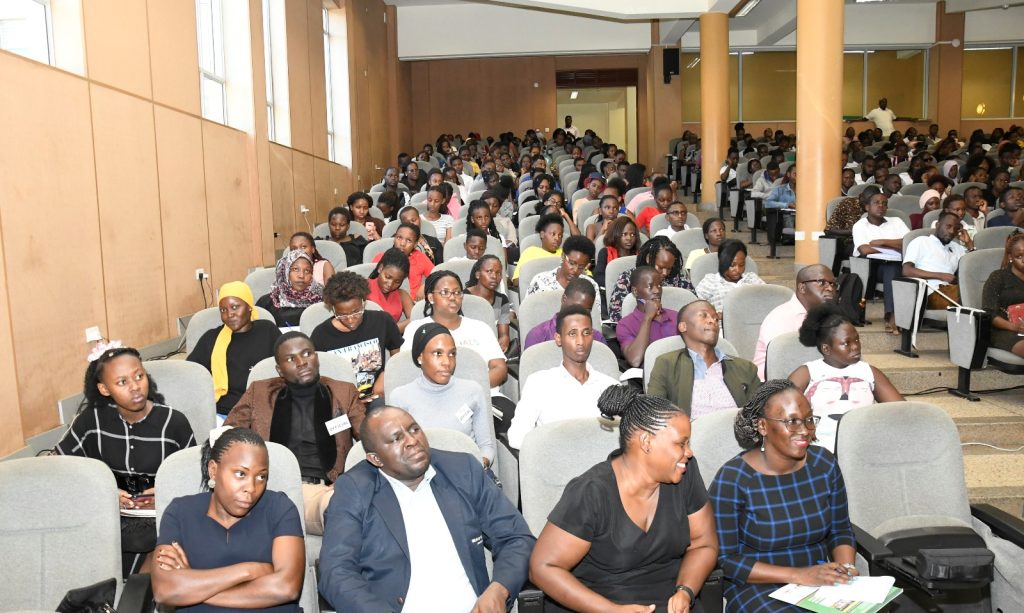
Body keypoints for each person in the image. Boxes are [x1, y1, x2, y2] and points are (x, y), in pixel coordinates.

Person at [319, 406, 535, 612]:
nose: (412, 441)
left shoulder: (463, 470)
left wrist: (499, 590)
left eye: (414, 429)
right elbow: (336, 572)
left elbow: (516, 537)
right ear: (375, 459)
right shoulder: (354, 490)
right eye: (396, 439)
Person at [529, 385, 718, 612]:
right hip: (600, 603)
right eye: (681, 443)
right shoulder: (592, 492)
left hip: (669, 599)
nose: (689, 453)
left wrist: (685, 591)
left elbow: (704, 543)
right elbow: (543, 567)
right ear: (646, 442)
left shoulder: (685, 473)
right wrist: (611, 610)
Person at [708, 380, 858, 612]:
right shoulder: (733, 479)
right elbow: (725, 560)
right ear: (763, 426)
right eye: (792, 421)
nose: (805, 429)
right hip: (757, 584)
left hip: (819, 577)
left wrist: (846, 566)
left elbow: (840, 530)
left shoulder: (824, 464)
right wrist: (799, 575)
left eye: (809, 419)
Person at [56, 343, 196, 576]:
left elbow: (197, 478)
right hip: (107, 517)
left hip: (161, 519)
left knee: (157, 561)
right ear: (104, 389)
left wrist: (165, 491)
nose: (135, 387)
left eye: (139, 376)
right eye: (122, 382)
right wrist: (106, 492)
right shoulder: (91, 422)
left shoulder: (173, 422)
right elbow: (63, 471)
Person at [225, 331, 365, 536]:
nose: (301, 362)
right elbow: (227, 436)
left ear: (316, 357)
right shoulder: (259, 392)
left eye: (307, 354)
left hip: (322, 491)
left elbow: (371, 440)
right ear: (279, 370)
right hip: (269, 487)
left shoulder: (343, 392)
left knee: (343, 509)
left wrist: (349, 480)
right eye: (291, 359)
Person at [151, 428, 304, 611]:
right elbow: (164, 590)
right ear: (213, 470)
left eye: (261, 476)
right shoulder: (180, 512)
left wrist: (191, 584)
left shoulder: (280, 508)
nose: (252, 488)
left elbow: (286, 588)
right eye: (241, 474)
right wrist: (250, 570)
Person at [788, 305, 904, 452]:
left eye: (857, 340)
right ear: (826, 349)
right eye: (846, 343)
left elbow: (900, 410)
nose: (855, 347)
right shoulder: (808, 372)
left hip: (864, 448)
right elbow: (782, 410)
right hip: (818, 449)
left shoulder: (869, 371)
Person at [508, 305, 618, 450]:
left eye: (586, 333)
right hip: (557, 466)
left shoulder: (611, 387)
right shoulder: (539, 383)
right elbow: (517, 437)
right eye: (572, 334)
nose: (581, 341)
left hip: (603, 466)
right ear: (558, 339)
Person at [389, 323, 496, 466]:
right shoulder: (400, 397)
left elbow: (486, 446)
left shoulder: (473, 391)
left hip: (467, 473)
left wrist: (480, 465)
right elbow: (398, 454)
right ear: (420, 357)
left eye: (452, 354)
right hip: (422, 477)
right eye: (437, 354)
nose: (447, 362)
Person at [647, 300, 760, 419]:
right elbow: (654, 413)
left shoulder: (745, 368)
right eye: (703, 315)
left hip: (736, 434)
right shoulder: (666, 364)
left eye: (716, 318)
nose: (713, 321)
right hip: (692, 435)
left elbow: (759, 414)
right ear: (683, 326)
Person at [402, 271, 508, 391]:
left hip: (482, 394)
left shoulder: (480, 328)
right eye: (445, 292)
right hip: (432, 397)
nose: (453, 297)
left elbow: (500, 368)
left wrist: (471, 390)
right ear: (431, 297)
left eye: (457, 293)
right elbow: (408, 371)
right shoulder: (416, 329)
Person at [188, 281, 282, 416]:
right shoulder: (211, 339)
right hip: (225, 412)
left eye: (235, 307)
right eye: (223, 310)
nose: (229, 314)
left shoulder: (267, 330)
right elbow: (191, 375)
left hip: (265, 408)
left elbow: (286, 365)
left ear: (249, 307)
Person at [312, 271, 402, 406]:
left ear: (363, 302)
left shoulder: (382, 321)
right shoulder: (320, 335)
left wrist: (384, 376)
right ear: (333, 309)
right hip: (342, 402)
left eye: (356, 312)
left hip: (376, 398)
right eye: (342, 315)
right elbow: (319, 380)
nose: (350, 320)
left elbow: (396, 357)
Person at [751, 265, 836, 380]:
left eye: (832, 284)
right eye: (821, 282)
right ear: (802, 288)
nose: (830, 288)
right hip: (775, 386)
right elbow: (783, 366)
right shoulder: (780, 319)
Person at [852, 190, 910, 333]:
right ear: (867, 207)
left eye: (884, 203)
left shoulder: (896, 222)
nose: (881, 206)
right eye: (876, 203)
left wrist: (881, 242)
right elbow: (865, 250)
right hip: (872, 267)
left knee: (892, 268)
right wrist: (894, 247)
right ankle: (891, 316)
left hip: (896, 264)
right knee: (891, 269)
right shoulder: (860, 225)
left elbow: (908, 242)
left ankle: (891, 315)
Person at [609, 236, 692, 323]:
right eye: (660, 267)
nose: (665, 273)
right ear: (649, 259)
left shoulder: (680, 279)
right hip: (638, 331)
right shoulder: (627, 279)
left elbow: (694, 307)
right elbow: (615, 315)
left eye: (669, 268)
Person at [903, 210, 972, 308]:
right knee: (972, 293)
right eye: (948, 226)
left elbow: (972, 271)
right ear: (937, 225)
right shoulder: (921, 241)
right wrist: (940, 276)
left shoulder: (957, 248)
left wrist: (969, 244)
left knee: (976, 290)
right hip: (932, 292)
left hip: (952, 290)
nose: (952, 231)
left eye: (956, 228)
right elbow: (907, 271)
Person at [618, 267, 679, 369]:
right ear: (635, 291)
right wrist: (647, 318)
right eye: (650, 286)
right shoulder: (625, 325)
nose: (657, 291)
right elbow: (635, 360)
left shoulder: (676, 316)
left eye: (659, 285)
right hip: (653, 380)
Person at [524, 277, 607, 350]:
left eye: (587, 311)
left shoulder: (597, 338)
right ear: (564, 299)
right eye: (575, 307)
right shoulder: (537, 336)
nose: (580, 314)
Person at [526, 235, 601, 308]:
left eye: (581, 267)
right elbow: (528, 313)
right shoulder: (540, 282)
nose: (575, 270)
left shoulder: (591, 286)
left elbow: (595, 318)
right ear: (563, 256)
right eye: (571, 263)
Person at [695, 239, 766, 316]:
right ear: (722, 262)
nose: (738, 270)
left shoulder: (752, 279)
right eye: (732, 265)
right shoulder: (710, 281)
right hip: (722, 326)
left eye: (742, 265)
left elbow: (768, 300)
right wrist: (714, 314)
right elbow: (695, 310)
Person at [982, 232, 1024, 358]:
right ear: (1010, 257)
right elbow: (989, 313)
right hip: (1004, 330)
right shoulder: (998, 277)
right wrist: (1015, 327)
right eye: (1019, 256)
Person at [256, 251, 324, 327]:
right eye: (295, 269)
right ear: (285, 271)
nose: (301, 275)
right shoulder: (267, 302)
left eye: (307, 271)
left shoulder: (321, 298)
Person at [371, 223, 434, 301]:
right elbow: (372, 283)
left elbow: (437, 275)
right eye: (399, 238)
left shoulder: (420, 257)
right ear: (394, 238)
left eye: (409, 241)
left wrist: (425, 285)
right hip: (385, 301)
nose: (402, 244)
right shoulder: (381, 257)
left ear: (415, 244)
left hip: (413, 302)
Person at [465, 254, 512, 353]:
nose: (494, 276)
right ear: (478, 274)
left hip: (492, 350)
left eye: (498, 273)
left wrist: (505, 339)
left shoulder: (502, 300)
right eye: (489, 271)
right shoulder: (464, 298)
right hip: (467, 348)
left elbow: (503, 334)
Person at [366, 247, 414, 329]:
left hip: (394, 340)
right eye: (387, 277)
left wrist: (390, 331)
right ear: (380, 268)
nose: (390, 284)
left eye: (397, 282)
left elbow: (416, 319)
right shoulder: (363, 287)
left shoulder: (402, 295)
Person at [512, 213, 564, 284]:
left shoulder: (565, 254)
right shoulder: (530, 252)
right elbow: (516, 280)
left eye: (560, 236)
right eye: (553, 234)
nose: (557, 238)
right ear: (542, 234)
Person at [593, 217, 639, 289]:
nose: (629, 238)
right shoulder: (605, 252)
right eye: (624, 234)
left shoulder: (639, 254)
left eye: (632, 234)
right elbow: (598, 277)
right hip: (611, 292)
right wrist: (622, 285)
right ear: (615, 234)